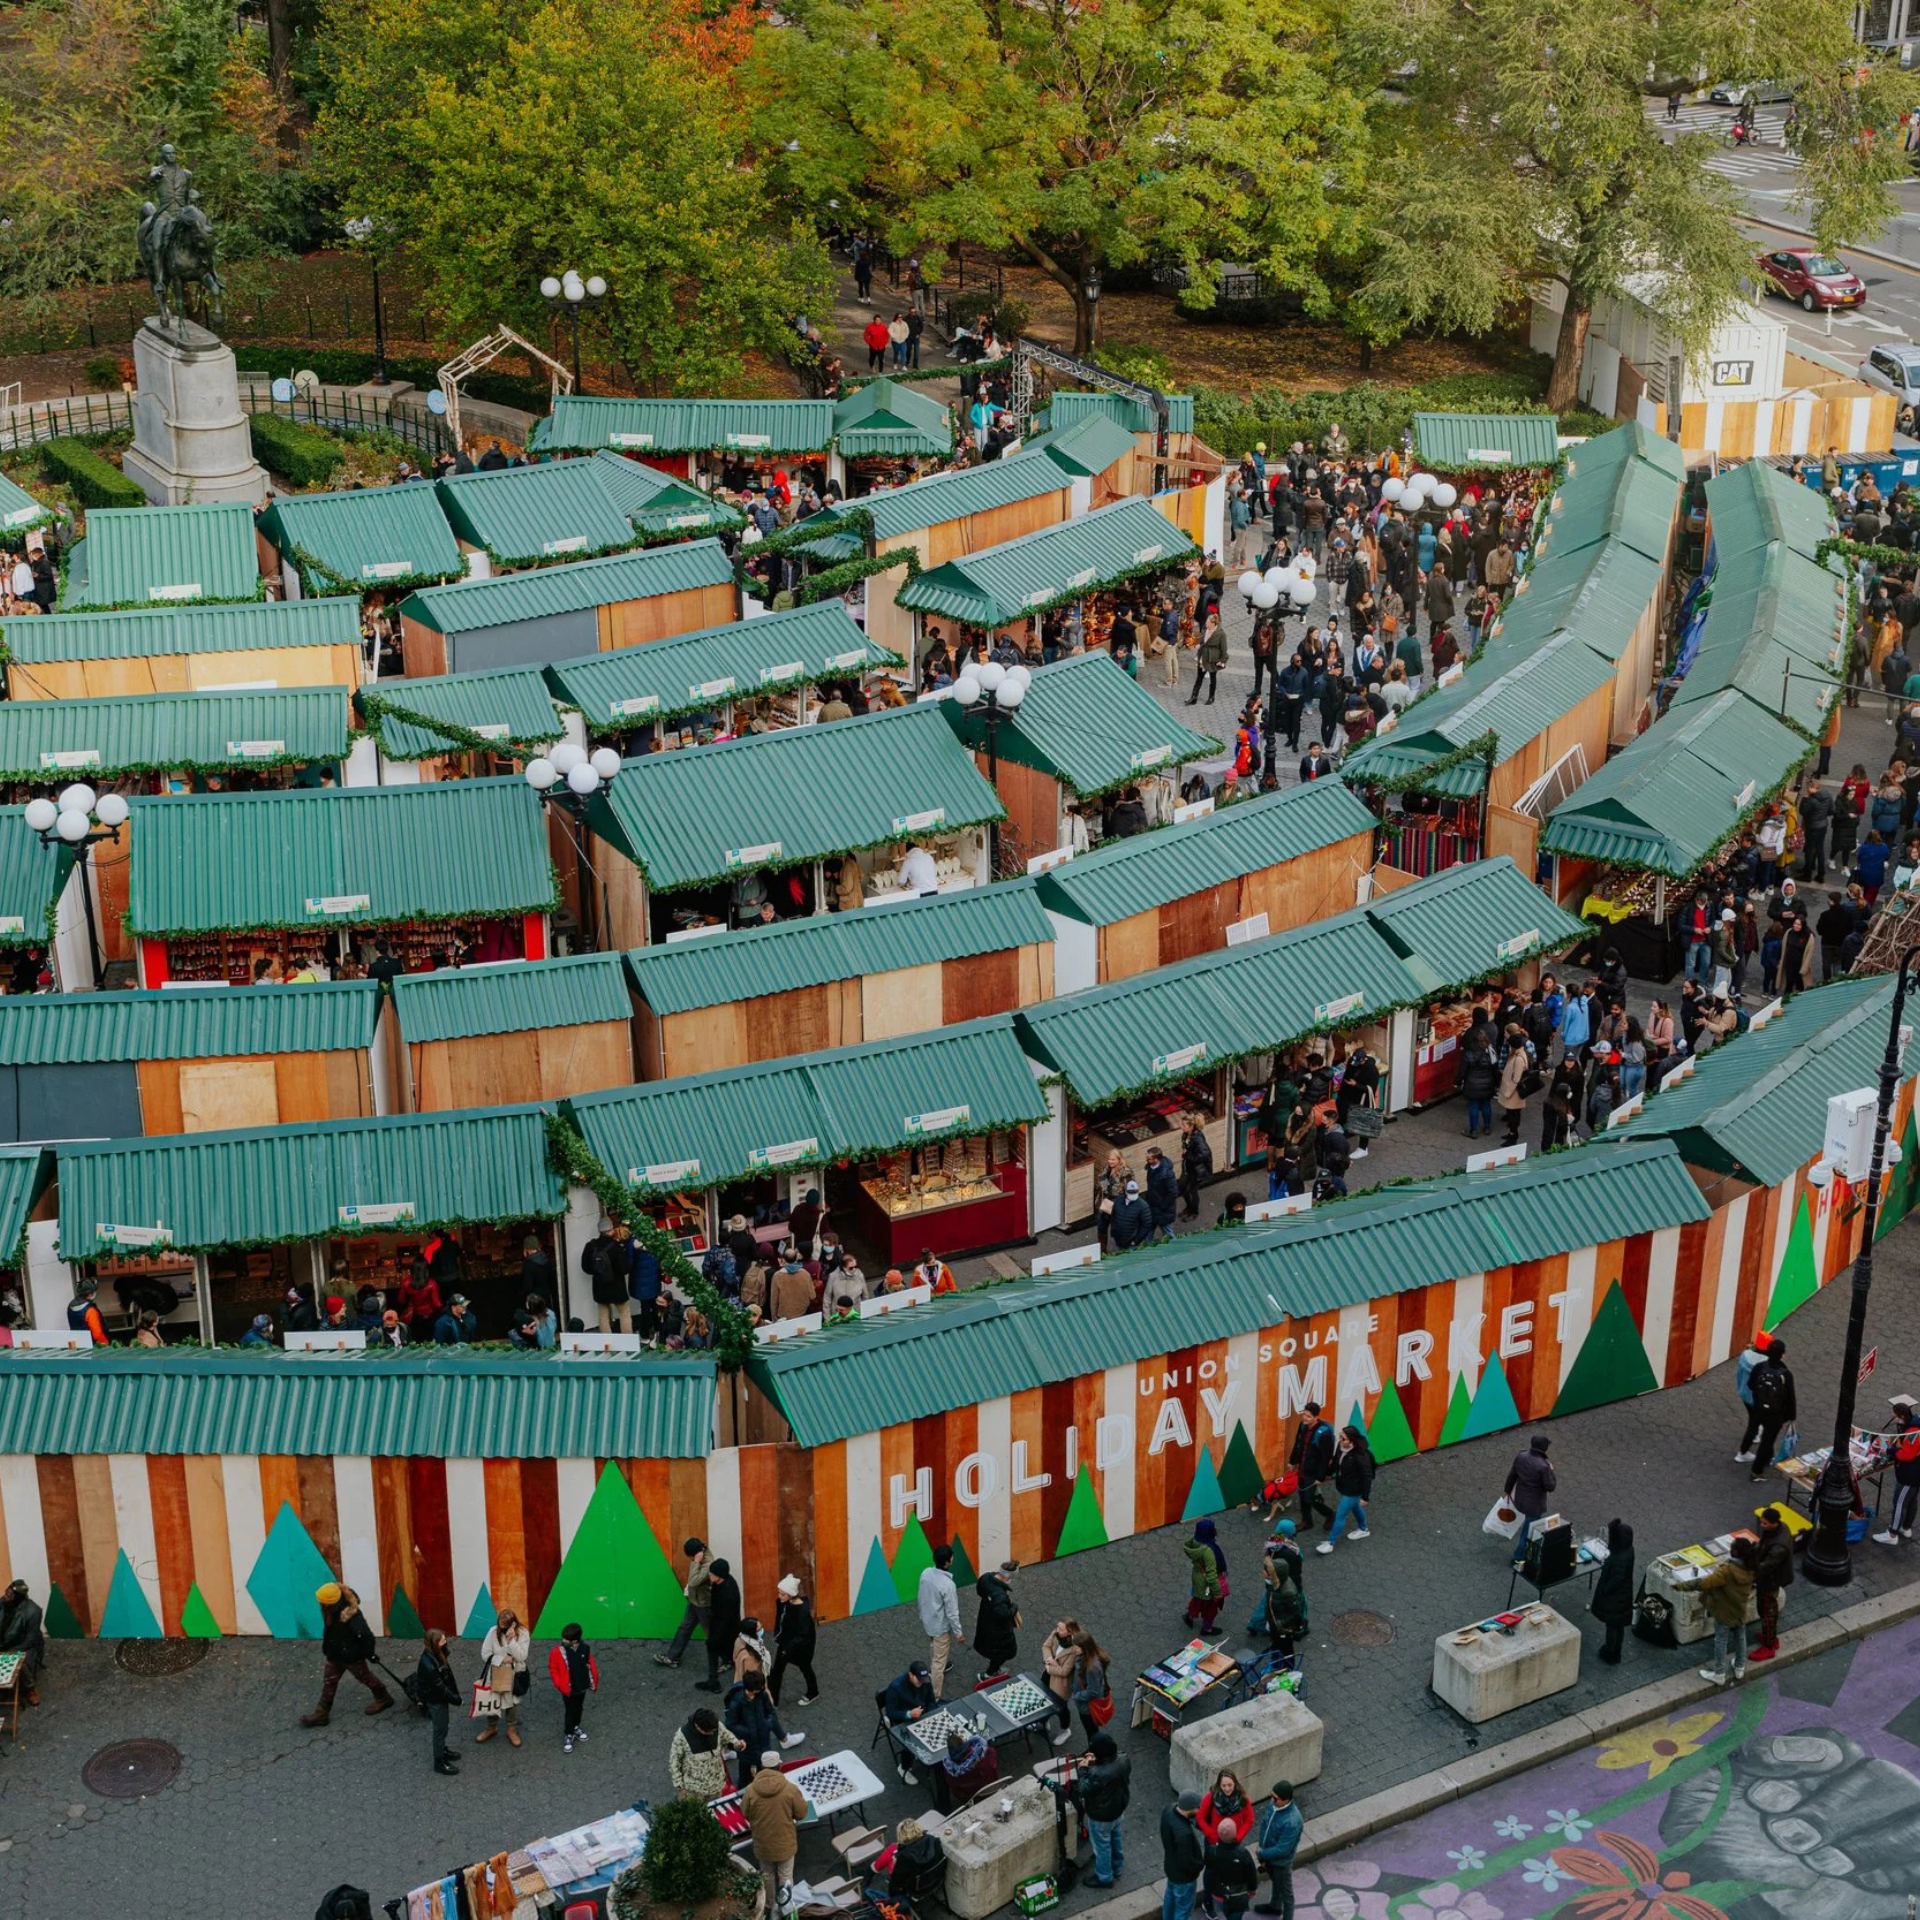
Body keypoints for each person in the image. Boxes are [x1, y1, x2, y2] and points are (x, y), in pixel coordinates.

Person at [301, 1582, 394, 1725]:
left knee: (365, 1677)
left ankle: (384, 1698)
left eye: (322, 1601)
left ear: (329, 1602)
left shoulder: (351, 1614)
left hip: (351, 1656)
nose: (319, 1603)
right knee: (329, 1681)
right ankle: (321, 1714)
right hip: (335, 1653)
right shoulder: (330, 1609)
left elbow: (366, 1635)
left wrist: (370, 1654)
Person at [743, 1748, 812, 1912]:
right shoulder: (790, 1789)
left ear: (761, 1767)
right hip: (785, 1842)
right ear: (779, 1766)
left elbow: (746, 1813)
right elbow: (802, 1814)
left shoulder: (751, 1790)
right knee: (786, 1876)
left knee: (766, 1875)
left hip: (762, 1842)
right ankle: (786, 1908)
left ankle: (770, 1907)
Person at [1059, 1729, 1130, 1885]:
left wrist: (1083, 1768)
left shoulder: (1098, 1773)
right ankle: (1117, 1867)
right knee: (1115, 1837)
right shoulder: (1123, 1758)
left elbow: (1084, 1789)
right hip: (1118, 1808)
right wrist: (1096, 1760)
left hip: (1101, 1815)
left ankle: (1104, 1877)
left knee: (1102, 1846)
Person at [1693, 1535, 1757, 1686]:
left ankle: (1719, 1673)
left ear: (1735, 1552)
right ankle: (1740, 1666)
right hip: (1739, 1608)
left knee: (1721, 1640)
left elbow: (1707, 1583)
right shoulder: (1750, 1567)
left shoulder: (1728, 1571)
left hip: (1724, 1610)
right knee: (1740, 1635)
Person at [1740, 1338, 1796, 1481]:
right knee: (1767, 1441)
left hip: (1758, 1408)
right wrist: (1791, 1416)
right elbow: (1790, 1397)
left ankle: (1762, 1458)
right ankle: (1757, 1471)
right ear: (1782, 1354)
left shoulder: (1759, 1367)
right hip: (1776, 1414)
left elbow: (1751, 1385)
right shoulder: (1785, 1374)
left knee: (1759, 1432)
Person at [475, 1606, 530, 1747]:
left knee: (512, 1703)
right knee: (493, 1700)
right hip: (497, 1673)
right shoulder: (493, 1632)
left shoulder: (523, 1633)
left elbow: (522, 1656)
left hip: (514, 1674)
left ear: (513, 1624)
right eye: (501, 1626)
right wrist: (501, 1659)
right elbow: (485, 1654)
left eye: (506, 1626)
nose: (503, 1629)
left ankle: (511, 1730)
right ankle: (491, 1728)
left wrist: (512, 1641)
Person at [1316, 1424, 1375, 1554]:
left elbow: (1367, 1477)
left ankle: (1330, 1543)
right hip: (1345, 1485)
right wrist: (1327, 1474)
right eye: (1340, 1437)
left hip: (1353, 1490)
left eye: (1343, 1439)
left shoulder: (1360, 1456)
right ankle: (1363, 1529)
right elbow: (1336, 1463)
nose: (1340, 1441)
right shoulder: (1341, 1447)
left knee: (1340, 1515)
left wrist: (1365, 1497)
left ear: (1352, 1441)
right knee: (1355, 1507)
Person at [655, 1536, 711, 1670]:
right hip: (694, 1601)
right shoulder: (702, 1553)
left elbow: (693, 1582)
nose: (691, 1560)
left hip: (703, 1604)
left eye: (691, 1558)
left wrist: (695, 1562)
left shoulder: (708, 1564)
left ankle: (727, 1659)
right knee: (684, 1628)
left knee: (712, 1634)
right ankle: (672, 1657)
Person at [1502, 1434, 1557, 1570]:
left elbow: (1512, 1474)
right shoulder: (1543, 1466)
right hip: (1533, 1505)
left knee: (1525, 1523)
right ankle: (1518, 1558)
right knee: (1528, 1531)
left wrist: (1508, 1491)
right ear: (1544, 1448)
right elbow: (1550, 1486)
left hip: (1520, 1498)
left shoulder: (1521, 1456)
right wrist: (1550, 1470)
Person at [918, 1543, 966, 1696]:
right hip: (940, 1626)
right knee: (939, 1662)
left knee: (934, 1645)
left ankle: (937, 1664)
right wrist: (958, 1632)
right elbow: (952, 1613)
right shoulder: (948, 1585)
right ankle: (934, 1695)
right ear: (946, 1562)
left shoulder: (925, 1573)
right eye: (951, 1558)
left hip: (927, 1619)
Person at [670, 1705, 743, 1799]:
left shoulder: (715, 1725)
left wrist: (737, 1744)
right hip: (694, 1791)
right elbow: (674, 1762)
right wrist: (680, 1787)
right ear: (699, 1727)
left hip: (717, 1785)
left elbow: (728, 1738)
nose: (713, 1733)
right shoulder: (682, 1736)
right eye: (710, 1732)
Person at [1252, 1782, 1303, 1919]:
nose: (1272, 1801)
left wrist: (1262, 1853)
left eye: (1275, 1799)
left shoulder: (1293, 1821)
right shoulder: (1274, 1806)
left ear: (1286, 1800)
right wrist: (1261, 1846)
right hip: (1268, 1856)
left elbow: (1283, 1849)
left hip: (1281, 1863)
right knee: (1277, 1883)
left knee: (1287, 1895)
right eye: (1271, 1796)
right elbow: (1264, 1824)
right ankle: (1274, 1907)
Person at [417, 1628, 463, 1775]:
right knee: (440, 1729)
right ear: (435, 1644)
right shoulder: (429, 1664)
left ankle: (442, 1750)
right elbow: (440, 1688)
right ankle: (439, 1761)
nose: (445, 1642)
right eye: (442, 1641)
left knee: (442, 1726)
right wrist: (455, 1699)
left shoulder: (434, 1656)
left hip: (437, 1698)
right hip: (435, 1700)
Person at [549, 1620, 598, 1753]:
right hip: (568, 1689)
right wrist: (559, 1684)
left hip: (581, 1687)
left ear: (575, 1641)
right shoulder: (557, 1652)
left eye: (567, 1639)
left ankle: (576, 1727)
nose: (563, 1640)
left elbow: (589, 1665)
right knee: (570, 1711)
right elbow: (553, 1668)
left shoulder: (584, 1649)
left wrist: (591, 1682)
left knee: (579, 1708)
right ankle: (569, 1733)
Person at [769, 1573, 819, 1706]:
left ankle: (813, 1692)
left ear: (791, 1595)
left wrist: (787, 1647)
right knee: (777, 1671)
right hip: (787, 1644)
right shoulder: (786, 1603)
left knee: (805, 1668)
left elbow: (803, 1636)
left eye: (782, 1594)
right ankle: (773, 1699)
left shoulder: (801, 1612)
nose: (779, 1597)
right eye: (779, 1593)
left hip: (799, 1648)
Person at [1590, 1519, 1635, 1665]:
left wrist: (1605, 1589)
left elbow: (1616, 1579)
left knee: (1611, 1626)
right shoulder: (1629, 1550)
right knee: (1619, 1626)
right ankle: (1616, 1651)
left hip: (1614, 1598)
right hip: (1624, 1596)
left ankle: (1610, 1652)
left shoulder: (1619, 1557)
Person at [1751, 1506, 1793, 1661]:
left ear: (1774, 1523)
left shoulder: (1778, 1547)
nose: (1762, 1526)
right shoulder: (1780, 1529)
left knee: (1767, 1611)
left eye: (1765, 1524)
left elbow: (1765, 1567)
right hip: (1773, 1577)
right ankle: (1770, 1638)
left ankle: (1769, 1646)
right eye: (1761, 1522)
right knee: (1769, 1610)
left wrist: (1750, 1568)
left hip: (1770, 1581)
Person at [1289, 1403, 1336, 1532]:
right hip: (1302, 1468)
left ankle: (1330, 1514)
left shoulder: (1324, 1435)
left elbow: (1326, 1458)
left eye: (1308, 1416)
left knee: (1311, 1498)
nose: (1304, 1418)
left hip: (1313, 1472)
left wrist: (1320, 1477)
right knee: (1302, 1495)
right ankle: (1306, 1521)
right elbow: (1297, 1443)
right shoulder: (1302, 1426)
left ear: (1316, 1417)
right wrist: (1292, 1461)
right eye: (1304, 1414)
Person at [1876, 1409, 1920, 1544]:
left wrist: (1890, 1450)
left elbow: (1906, 1454)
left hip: (1909, 1475)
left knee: (1899, 1503)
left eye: (1895, 1415)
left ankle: (1892, 1534)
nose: (1892, 1417)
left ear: (1902, 1416)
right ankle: (1905, 1527)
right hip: (1915, 1474)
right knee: (1911, 1501)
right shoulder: (1914, 1427)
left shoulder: (1914, 1432)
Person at [1161, 1790, 1207, 1920]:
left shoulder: (1169, 1810)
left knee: (1169, 1900)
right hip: (1184, 1879)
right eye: (1199, 1808)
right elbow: (1186, 1862)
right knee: (1183, 1910)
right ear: (1190, 1809)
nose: (1200, 1810)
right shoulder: (1184, 1833)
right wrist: (1199, 1865)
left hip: (1171, 1868)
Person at [700, 1556, 743, 1692]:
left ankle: (713, 1681)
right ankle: (729, 1662)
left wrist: (714, 1638)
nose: (710, 1575)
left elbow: (725, 1620)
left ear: (720, 1576)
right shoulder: (725, 1582)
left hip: (724, 1627)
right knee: (728, 1649)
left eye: (712, 1574)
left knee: (712, 1647)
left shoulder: (728, 1594)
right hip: (727, 1625)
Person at [0, 1579, 46, 1706]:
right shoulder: (2, 1603)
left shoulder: (32, 1611)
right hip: (4, 1642)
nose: (4, 1596)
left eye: (9, 1595)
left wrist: (11, 1652)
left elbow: (31, 1639)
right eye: (5, 1592)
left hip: (23, 1645)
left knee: (19, 1662)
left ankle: (30, 1689)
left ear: (17, 1598)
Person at [1206, 1817, 1260, 1920]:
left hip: (1219, 1895)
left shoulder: (1212, 1852)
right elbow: (1251, 1874)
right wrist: (1252, 1889)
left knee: (1226, 1912)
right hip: (1238, 1895)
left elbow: (1210, 1871)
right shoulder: (1243, 1853)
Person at [975, 1561, 1020, 1676]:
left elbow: (979, 1591)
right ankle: (990, 1673)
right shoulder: (1000, 1596)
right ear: (1007, 1578)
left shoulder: (985, 1578)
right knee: (1003, 1652)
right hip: (998, 1629)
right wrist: (1014, 1607)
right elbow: (1005, 1614)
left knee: (990, 1646)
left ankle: (992, 1668)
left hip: (985, 1617)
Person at [1040, 1618, 1080, 1745]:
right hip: (1048, 1674)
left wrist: (1051, 1666)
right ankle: (1043, 1721)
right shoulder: (1056, 1634)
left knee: (1061, 1707)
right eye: (1057, 1627)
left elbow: (1064, 1672)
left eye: (1060, 1629)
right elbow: (1046, 1646)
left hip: (1060, 1683)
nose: (1057, 1630)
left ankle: (1065, 1730)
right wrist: (1049, 1659)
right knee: (1043, 1699)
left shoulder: (1075, 1649)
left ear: (1069, 1632)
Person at [1184, 1516, 1227, 1631]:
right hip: (1207, 1584)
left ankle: (1189, 1616)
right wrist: (1217, 1592)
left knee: (1197, 1600)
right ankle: (1207, 1629)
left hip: (1198, 1577)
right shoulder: (1209, 1551)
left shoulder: (1195, 1542)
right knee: (1210, 1608)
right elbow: (1212, 1576)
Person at [1197, 1769, 1251, 1844]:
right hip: (1215, 1842)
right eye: (1224, 1785)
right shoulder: (1212, 1796)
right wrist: (1212, 1836)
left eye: (1230, 1785)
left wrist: (1238, 1838)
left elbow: (1249, 1819)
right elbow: (1200, 1817)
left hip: (1234, 1841)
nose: (1227, 1789)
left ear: (1234, 1783)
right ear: (1219, 1784)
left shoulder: (1242, 1798)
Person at [1144, 1147, 1179, 1244]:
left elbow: (1173, 1192)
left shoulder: (1167, 1174)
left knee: (1168, 1232)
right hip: (1153, 1204)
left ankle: (1174, 1249)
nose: (1146, 1160)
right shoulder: (1152, 1168)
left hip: (1162, 1208)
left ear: (1156, 1159)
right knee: (1148, 1231)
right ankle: (1147, 1248)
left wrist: (1163, 1205)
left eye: (1149, 1158)